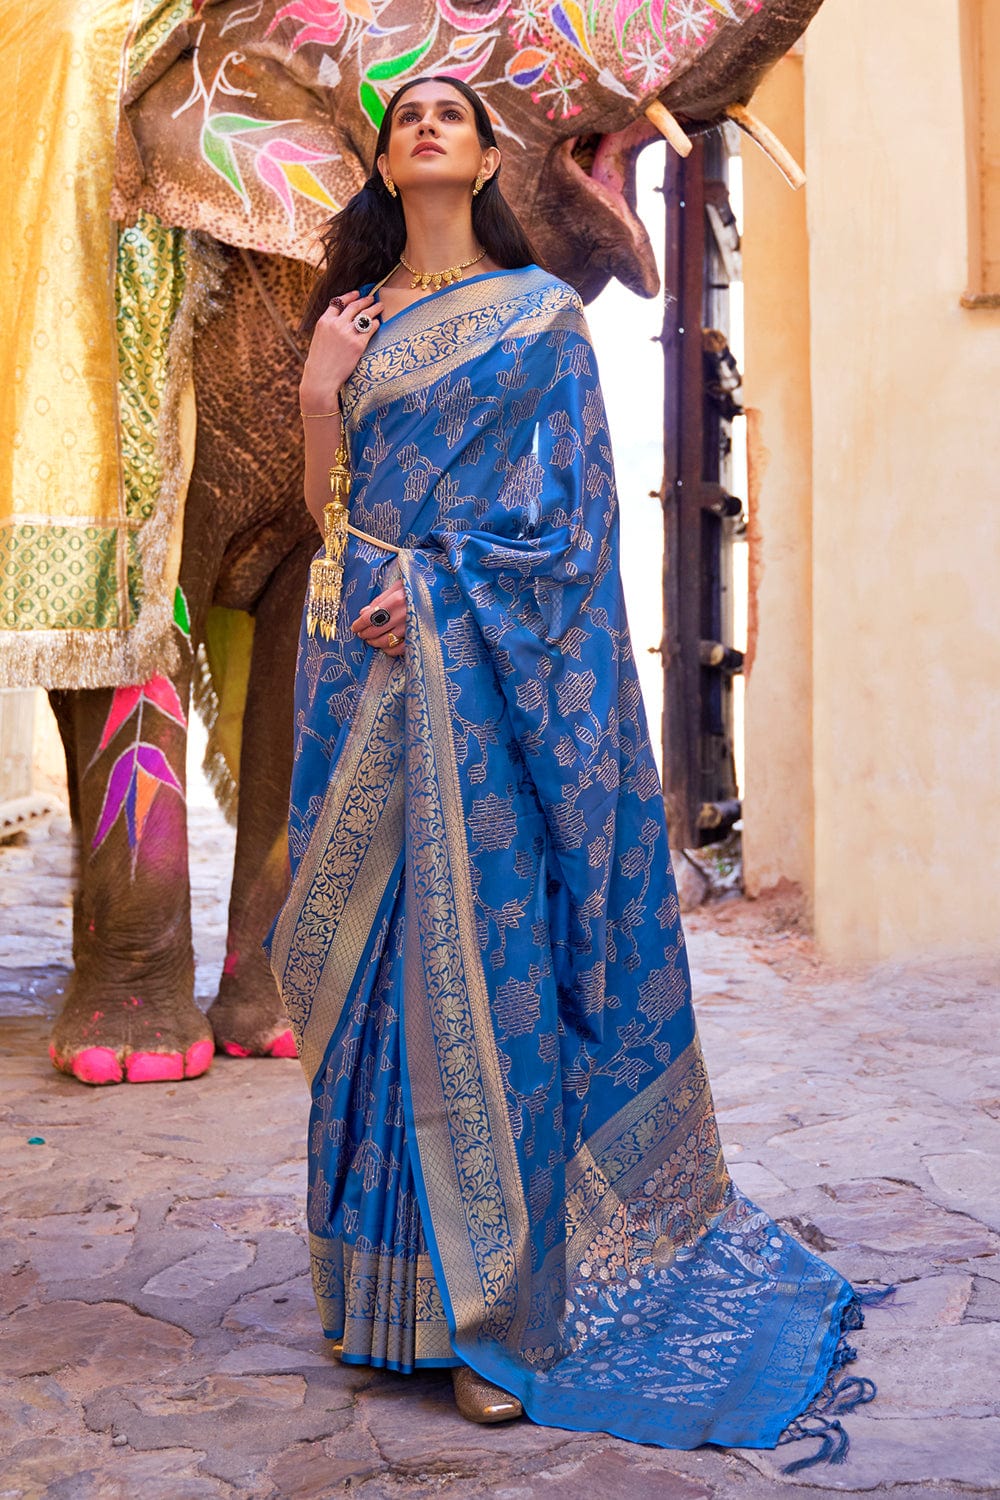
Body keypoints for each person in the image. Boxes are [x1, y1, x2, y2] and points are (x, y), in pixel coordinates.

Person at [267, 74, 875, 1465]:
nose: (426, 125)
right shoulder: (352, 325)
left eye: (452, 114)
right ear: (380, 155)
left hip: (477, 682)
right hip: (364, 677)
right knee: (372, 987)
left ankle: (503, 1313)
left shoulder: (539, 317)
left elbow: (573, 524)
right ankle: (391, 1305)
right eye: (404, 113)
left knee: (486, 968)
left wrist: (444, 599)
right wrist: (317, 394)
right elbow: (331, 506)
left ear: (488, 158)